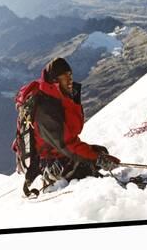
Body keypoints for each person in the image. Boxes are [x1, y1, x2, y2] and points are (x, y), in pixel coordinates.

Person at [17, 57, 121, 195]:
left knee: (99, 152)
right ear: (54, 81)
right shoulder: (45, 109)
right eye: (64, 76)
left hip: (58, 154)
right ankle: (53, 180)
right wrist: (97, 158)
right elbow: (67, 144)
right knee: (91, 168)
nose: (70, 79)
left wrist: (97, 156)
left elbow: (71, 133)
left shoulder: (57, 98)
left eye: (70, 74)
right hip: (50, 161)